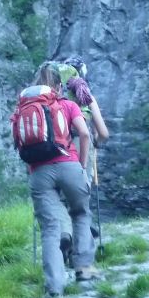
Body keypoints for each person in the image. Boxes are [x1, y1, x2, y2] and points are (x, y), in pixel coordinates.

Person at [24, 62, 100, 296]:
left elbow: (21, 144)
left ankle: (54, 288)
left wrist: (33, 170)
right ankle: (84, 273)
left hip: (39, 171)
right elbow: (85, 133)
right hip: (69, 164)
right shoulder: (67, 104)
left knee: (49, 228)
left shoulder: (25, 109)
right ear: (58, 86)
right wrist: (82, 164)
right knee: (80, 213)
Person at [55, 55, 109, 262]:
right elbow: (103, 133)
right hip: (82, 146)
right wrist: (95, 142)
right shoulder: (86, 97)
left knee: (59, 197)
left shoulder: (55, 96)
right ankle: (83, 258)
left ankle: (65, 236)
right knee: (80, 201)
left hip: (58, 148)